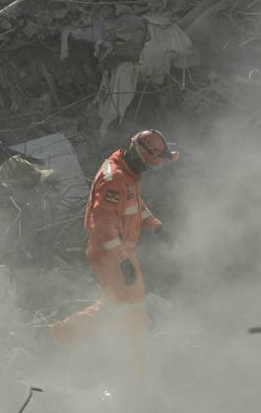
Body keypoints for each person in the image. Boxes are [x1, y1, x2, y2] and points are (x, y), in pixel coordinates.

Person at [49, 129, 178, 383]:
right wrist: (121, 259)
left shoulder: (129, 173)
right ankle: (62, 338)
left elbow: (135, 205)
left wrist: (156, 226)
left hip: (121, 253)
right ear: (140, 156)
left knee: (124, 307)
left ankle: (130, 361)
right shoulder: (114, 179)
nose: (150, 170)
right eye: (149, 164)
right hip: (110, 253)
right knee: (120, 309)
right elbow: (102, 225)